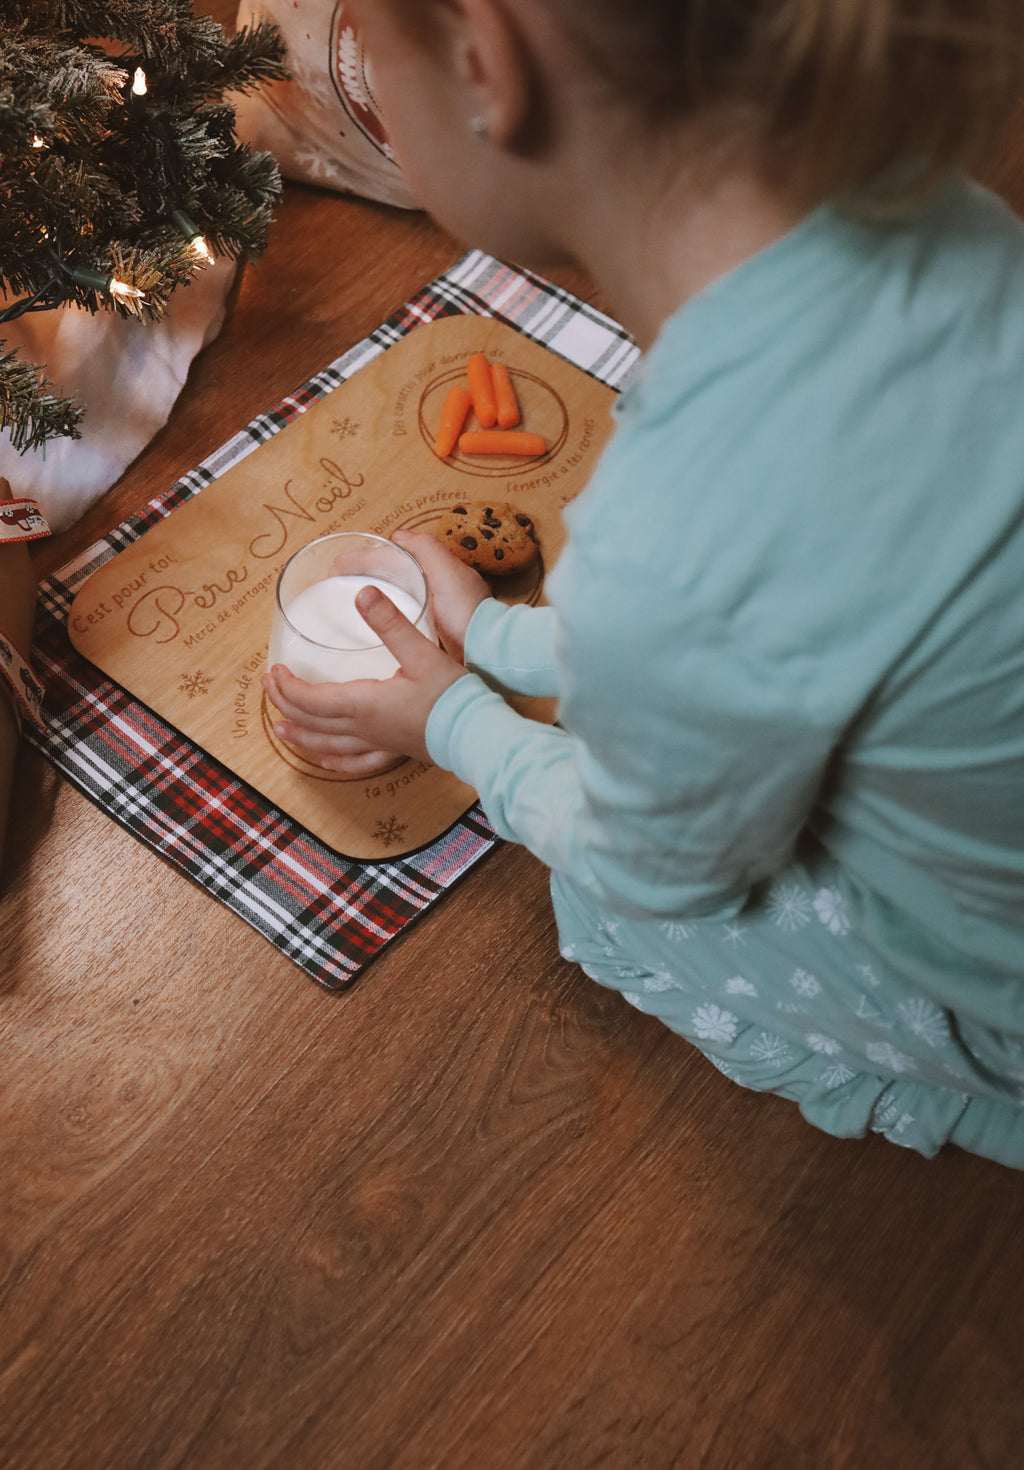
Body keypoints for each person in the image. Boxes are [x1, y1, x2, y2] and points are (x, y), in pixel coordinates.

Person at [263, 0, 1024, 1167]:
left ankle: (980, 1092)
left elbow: (655, 864)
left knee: (602, 912)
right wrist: (508, 640)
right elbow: (811, 609)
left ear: (486, 62)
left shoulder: (672, 534)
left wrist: (450, 719)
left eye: (368, 56)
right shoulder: (946, 211)